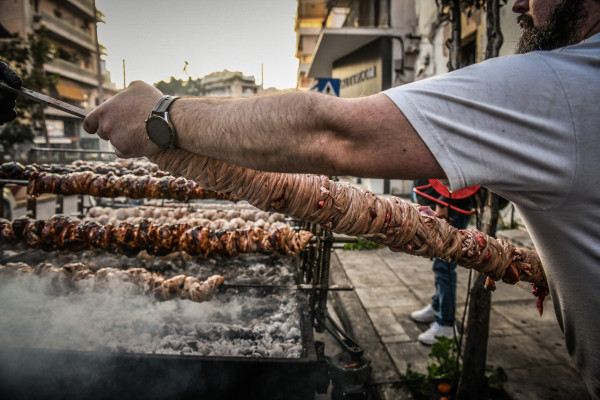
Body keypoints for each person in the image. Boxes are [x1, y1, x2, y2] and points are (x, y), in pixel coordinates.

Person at [1, 0, 599, 397]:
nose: (518, 2)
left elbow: (327, 131)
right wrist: (525, 262)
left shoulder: (563, 84)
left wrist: (162, 116)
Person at [410, 180, 478, 345]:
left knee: (444, 265)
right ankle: (437, 306)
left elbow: (453, 172)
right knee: (438, 260)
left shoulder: (446, 201)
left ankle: (446, 324)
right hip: (440, 202)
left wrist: (443, 200)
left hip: (450, 205)